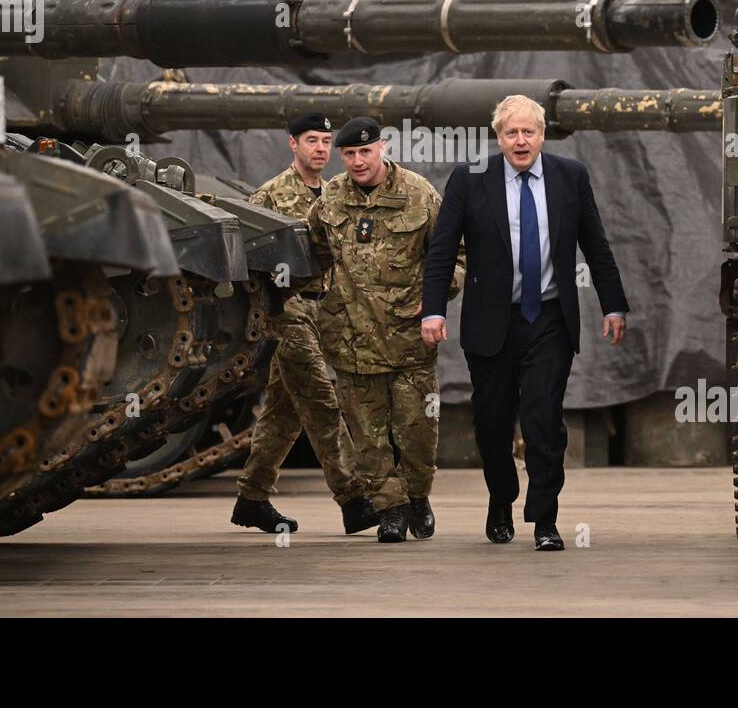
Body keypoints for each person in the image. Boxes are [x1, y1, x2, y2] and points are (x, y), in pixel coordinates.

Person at [421, 94, 628, 551]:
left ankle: (544, 519)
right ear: (498, 138)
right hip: (490, 322)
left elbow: (596, 245)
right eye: (511, 133)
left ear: (542, 135)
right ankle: (501, 498)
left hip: (550, 319)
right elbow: (441, 251)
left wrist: (614, 306)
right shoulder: (470, 178)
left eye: (528, 132)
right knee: (492, 424)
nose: (520, 140)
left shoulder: (570, 176)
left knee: (543, 418)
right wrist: (433, 309)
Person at [305, 116, 462, 543]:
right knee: (366, 433)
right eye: (350, 154)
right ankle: (390, 508)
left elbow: (455, 254)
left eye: (365, 152)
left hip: (408, 336)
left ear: (382, 147)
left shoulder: (418, 193)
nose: (358, 161)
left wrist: (433, 302)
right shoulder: (331, 197)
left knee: (415, 428)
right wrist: (322, 299)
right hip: (350, 338)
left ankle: (417, 497)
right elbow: (315, 254)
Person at [230, 112, 380, 536]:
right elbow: (247, 263)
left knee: (283, 412)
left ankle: (252, 498)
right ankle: (353, 499)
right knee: (319, 400)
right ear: (292, 144)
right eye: (311, 139)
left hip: (329, 309)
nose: (320, 148)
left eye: (326, 141)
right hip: (288, 312)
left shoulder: (337, 194)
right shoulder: (271, 196)